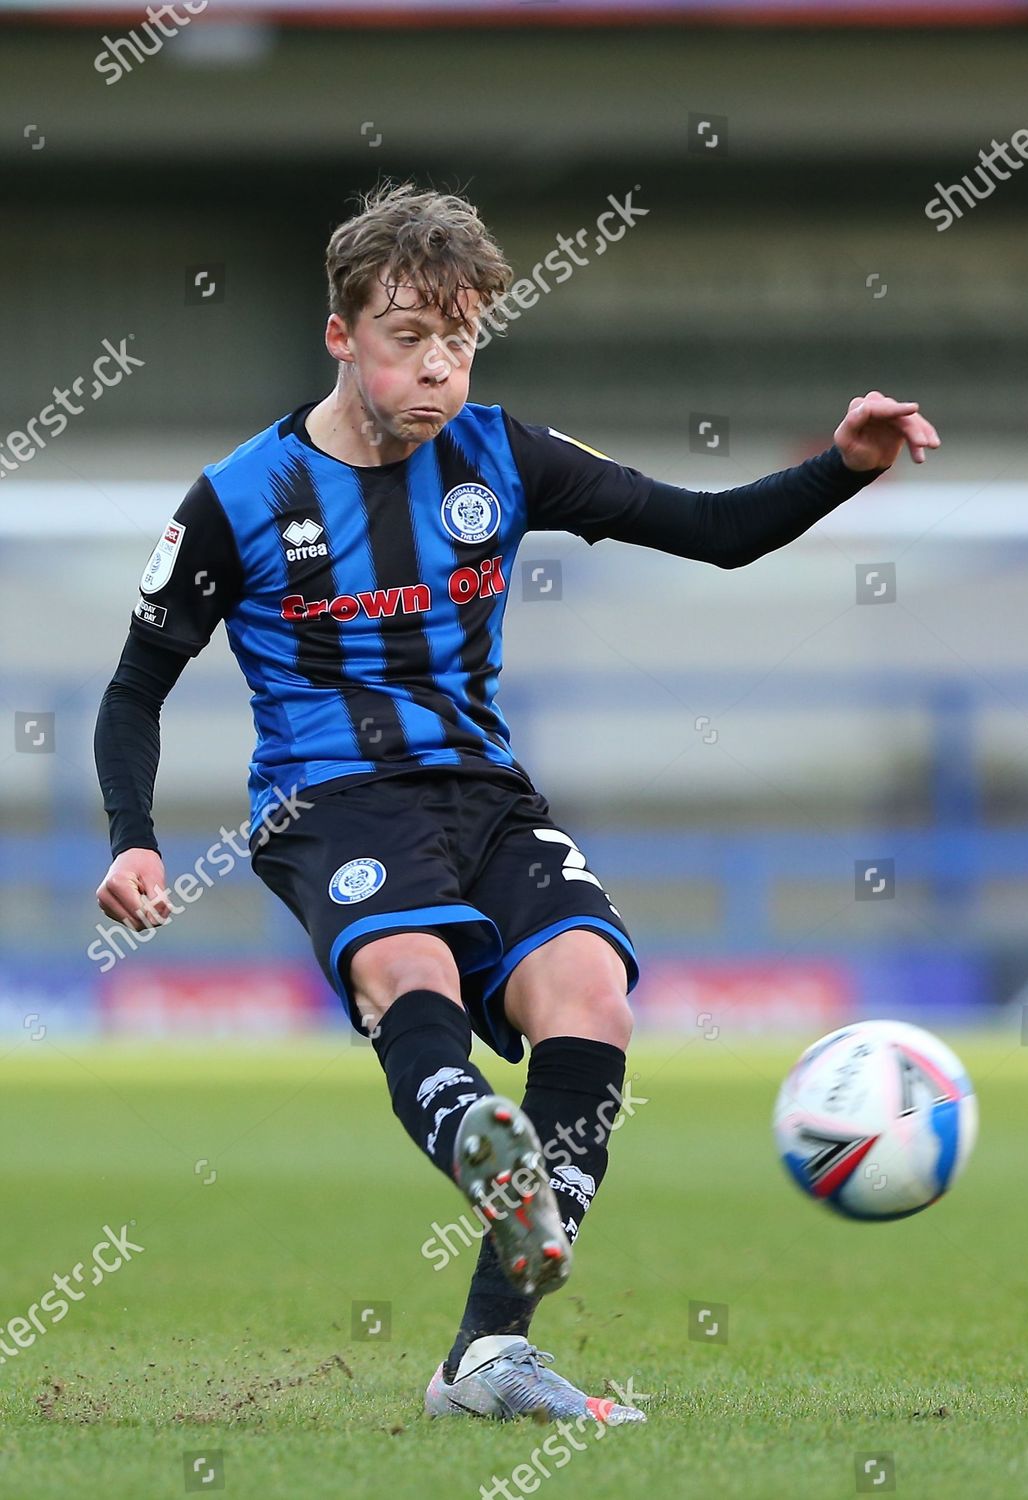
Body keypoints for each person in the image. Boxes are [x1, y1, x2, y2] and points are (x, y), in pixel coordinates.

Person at [93, 180, 940, 1425]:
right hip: (331, 802)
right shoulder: (235, 499)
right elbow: (132, 690)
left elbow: (707, 530)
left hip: (483, 790)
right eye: (406, 339)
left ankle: (485, 1358)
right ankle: (489, 1152)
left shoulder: (504, 452)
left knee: (591, 995)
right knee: (410, 975)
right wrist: (134, 842)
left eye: (458, 339)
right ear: (340, 335)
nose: (435, 368)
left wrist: (843, 467)